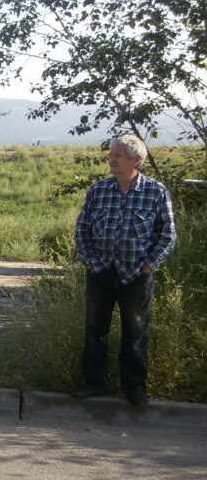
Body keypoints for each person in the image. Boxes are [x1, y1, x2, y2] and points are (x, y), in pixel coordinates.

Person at [71, 135, 177, 406]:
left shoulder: (155, 191)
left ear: (136, 160)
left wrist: (150, 265)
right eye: (111, 155)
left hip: (136, 275)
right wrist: (91, 261)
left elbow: (167, 234)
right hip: (101, 272)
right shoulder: (98, 190)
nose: (112, 159)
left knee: (135, 332)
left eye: (118, 155)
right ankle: (94, 384)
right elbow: (82, 229)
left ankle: (134, 388)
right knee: (95, 331)